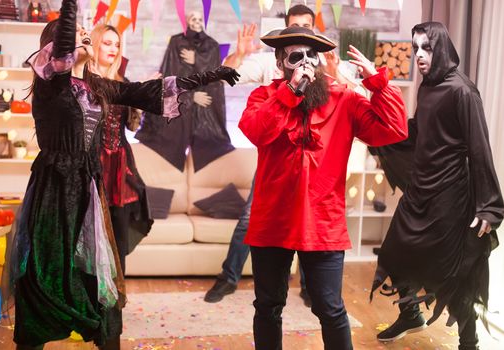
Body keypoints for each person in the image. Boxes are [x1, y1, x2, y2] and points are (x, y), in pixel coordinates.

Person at [0, 1, 239, 349]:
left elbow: (149, 90)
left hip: (88, 190)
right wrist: (71, 7)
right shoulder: (51, 82)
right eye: (79, 36)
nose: (84, 39)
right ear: (57, 48)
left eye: (86, 36)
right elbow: (66, 41)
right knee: (44, 276)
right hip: (53, 191)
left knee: (99, 283)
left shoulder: (100, 87)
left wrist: (209, 75)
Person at [239, 26, 407, 350]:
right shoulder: (263, 98)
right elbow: (256, 131)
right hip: (272, 222)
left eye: (311, 55)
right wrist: (289, 94)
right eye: (296, 56)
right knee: (268, 306)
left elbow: (395, 129)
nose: (306, 64)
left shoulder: (343, 100)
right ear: (280, 63)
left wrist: (377, 82)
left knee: (330, 309)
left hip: (323, 223)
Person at [204, 3, 361, 306]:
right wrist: (239, 54)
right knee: (251, 219)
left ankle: (310, 288)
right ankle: (229, 278)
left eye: (307, 28)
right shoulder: (269, 66)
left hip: (314, 163)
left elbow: (358, 103)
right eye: (295, 28)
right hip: (275, 151)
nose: (303, 58)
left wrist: (335, 76)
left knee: (310, 221)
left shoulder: (326, 63)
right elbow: (230, 75)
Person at [370, 22, 503, 350]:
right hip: (420, 191)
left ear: (441, 47)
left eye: (426, 48)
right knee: (395, 253)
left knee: (451, 274)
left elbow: (479, 147)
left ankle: (468, 342)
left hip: (450, 198)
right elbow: (421, 132)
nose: (418, 55)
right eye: (415, 48)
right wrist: (385, 136)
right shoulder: (427, 87)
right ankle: (410, 313)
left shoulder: (463, 91)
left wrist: (489, 204)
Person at [135, 10, 234, 172]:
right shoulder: (176, 43)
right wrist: (190, 96)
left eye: (200, 19)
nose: (197, 21)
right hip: (180, 113)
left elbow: (215, 79)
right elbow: (169, 77)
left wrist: (197, 60)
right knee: (166, 139)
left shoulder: (212, 45)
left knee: (211, 146)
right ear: (187, 21)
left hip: (204, 115)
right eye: (194, 18)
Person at [89, 24, 151, 274]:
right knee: (92, 237)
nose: (113, 49)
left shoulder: (122, 82)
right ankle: (91, 303)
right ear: (94, 45)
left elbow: (131, 126)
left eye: (116, 44)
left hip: (121, 167)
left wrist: (140, 99)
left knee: (118, 238)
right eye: (107, 43)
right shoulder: (84, 80)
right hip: (92, 164)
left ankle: (115, 304)